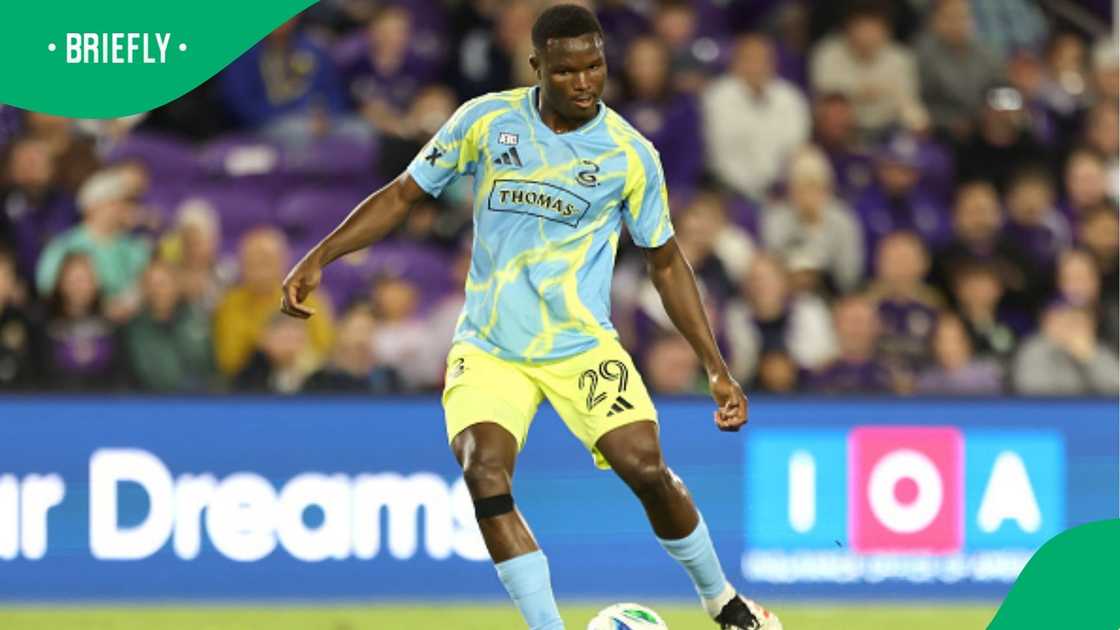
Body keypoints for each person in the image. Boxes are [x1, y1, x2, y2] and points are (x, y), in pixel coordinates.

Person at [279, 6, 779, 629]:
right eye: (567, 70)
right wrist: (320, 255)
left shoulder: (630, 153)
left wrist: (716, 366)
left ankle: (724, 602)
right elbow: (404, 194)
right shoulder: (485, 121)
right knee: (482, 469)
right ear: (537, 66)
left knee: (645, 467)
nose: (584, 82)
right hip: (491, 345)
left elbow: (668, 262)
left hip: (580, 344)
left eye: (594, 66)